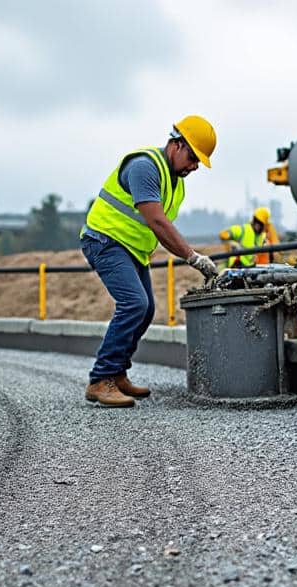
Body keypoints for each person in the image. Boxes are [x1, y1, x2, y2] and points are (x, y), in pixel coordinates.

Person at [80, 115, 221, 407]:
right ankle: (100, 379)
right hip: (105, 240)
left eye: (199, 161)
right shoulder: (145, 167)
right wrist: (193, 257)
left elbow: (161, 228)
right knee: (134, 304)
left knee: (146, 311)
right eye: (193, 157)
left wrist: (188, 255)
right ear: (177, 144)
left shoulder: (175, 183)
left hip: (130, 248)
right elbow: (157, 221)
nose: (195, 166)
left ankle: (117, 372)